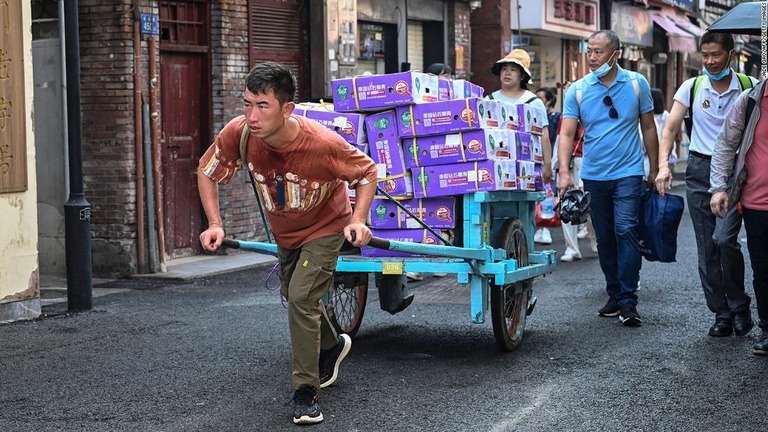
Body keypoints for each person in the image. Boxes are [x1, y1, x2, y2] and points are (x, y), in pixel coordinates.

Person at [197, 62, 378, 424]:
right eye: (247, 104)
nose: (251, 115)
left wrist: (358, 220)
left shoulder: (322, 143)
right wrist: (214, 223)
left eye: (262, 106)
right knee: (298, 298)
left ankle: (306, 392)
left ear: (287, 109)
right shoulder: (240, 134)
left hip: (326, 227)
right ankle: (333, 345)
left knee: (300, 297)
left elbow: (368, 171)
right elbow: (207, 171)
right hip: (286, 232)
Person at [655, 32, 757, 338]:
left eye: (715, 55)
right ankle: (722, 312)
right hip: (700, 168)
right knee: (707, 245)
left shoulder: (748, 86)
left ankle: (739, 306)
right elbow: (670, 127)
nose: (710, 62)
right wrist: (663, 165)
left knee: (725, 240)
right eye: (705, 55)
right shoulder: (693, 86)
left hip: (738, 171)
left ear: (730, 53)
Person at [557, 30, 659, 327]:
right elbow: (565, 133)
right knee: (604, 238)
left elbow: (649, 128)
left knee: (626, 229)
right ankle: (614, 293)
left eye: (599, 52)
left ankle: (628, 300)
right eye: (589, 51)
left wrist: (655, 167)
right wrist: (564, 172)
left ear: (616, 54)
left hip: (629, 172)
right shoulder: (577, 89)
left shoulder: (637, 84)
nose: (592, 57)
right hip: (594, 175)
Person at [710, 78, 768, 355]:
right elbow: (725, 145)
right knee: (763, 270)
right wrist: (719, 187)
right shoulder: (749, 100)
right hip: (756, 202)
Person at [488, 49, 554, 243]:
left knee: (524, 210)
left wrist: (547, 166)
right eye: (504, 69)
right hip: (498, 167)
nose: (507, 73)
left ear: (523, 75)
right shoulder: (490, 100)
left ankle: (523, 247)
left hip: (528, 168)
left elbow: (543, 135)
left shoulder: (533, 102)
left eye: (513, 70)